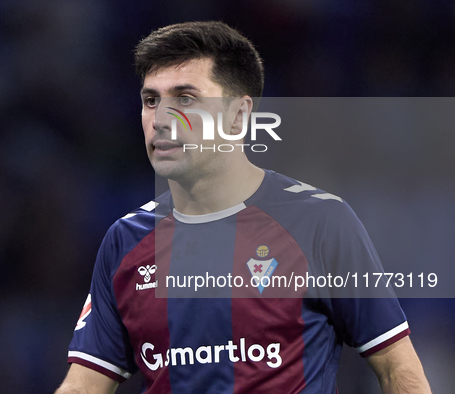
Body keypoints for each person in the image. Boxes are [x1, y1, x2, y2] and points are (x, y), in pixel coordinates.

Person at [55, 21, 431, 393]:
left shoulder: (320, 222)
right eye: (151, 100)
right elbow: (83, 385)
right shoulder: (125, 240)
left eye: (185, 98)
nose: (161, 119)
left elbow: (398, 368)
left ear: (238, 116)